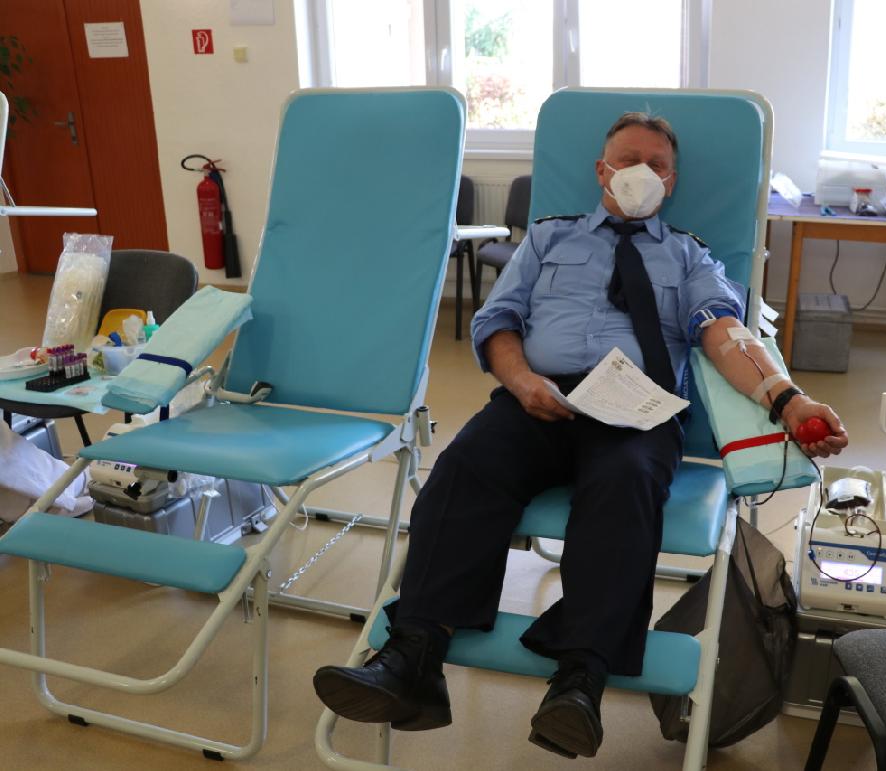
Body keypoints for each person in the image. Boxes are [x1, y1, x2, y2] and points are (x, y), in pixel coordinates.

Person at [313, 112, 848, 759]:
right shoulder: (549, 238)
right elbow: (497, 321)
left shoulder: (689, 254)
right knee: (465, 464)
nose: (641, 172)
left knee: (626, 481)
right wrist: (521, 381)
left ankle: (580, 681)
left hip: (639, 409)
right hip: (539, 396)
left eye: (656, 164)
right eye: (629, 159)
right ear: (602, 170)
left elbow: (724, 334)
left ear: (671, 181)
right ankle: (413, 657)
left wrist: (788, 399)